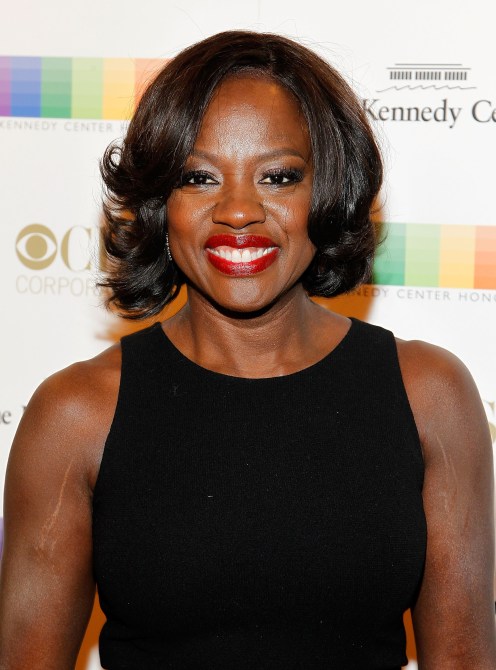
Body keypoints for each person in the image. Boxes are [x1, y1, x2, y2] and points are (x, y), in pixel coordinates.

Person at [0, 30, 494, 670]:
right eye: (199, 177)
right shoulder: (76, 415)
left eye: (278, 177)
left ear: (328, 190)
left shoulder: (429, 395)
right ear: (160, 202)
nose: (238, 211)